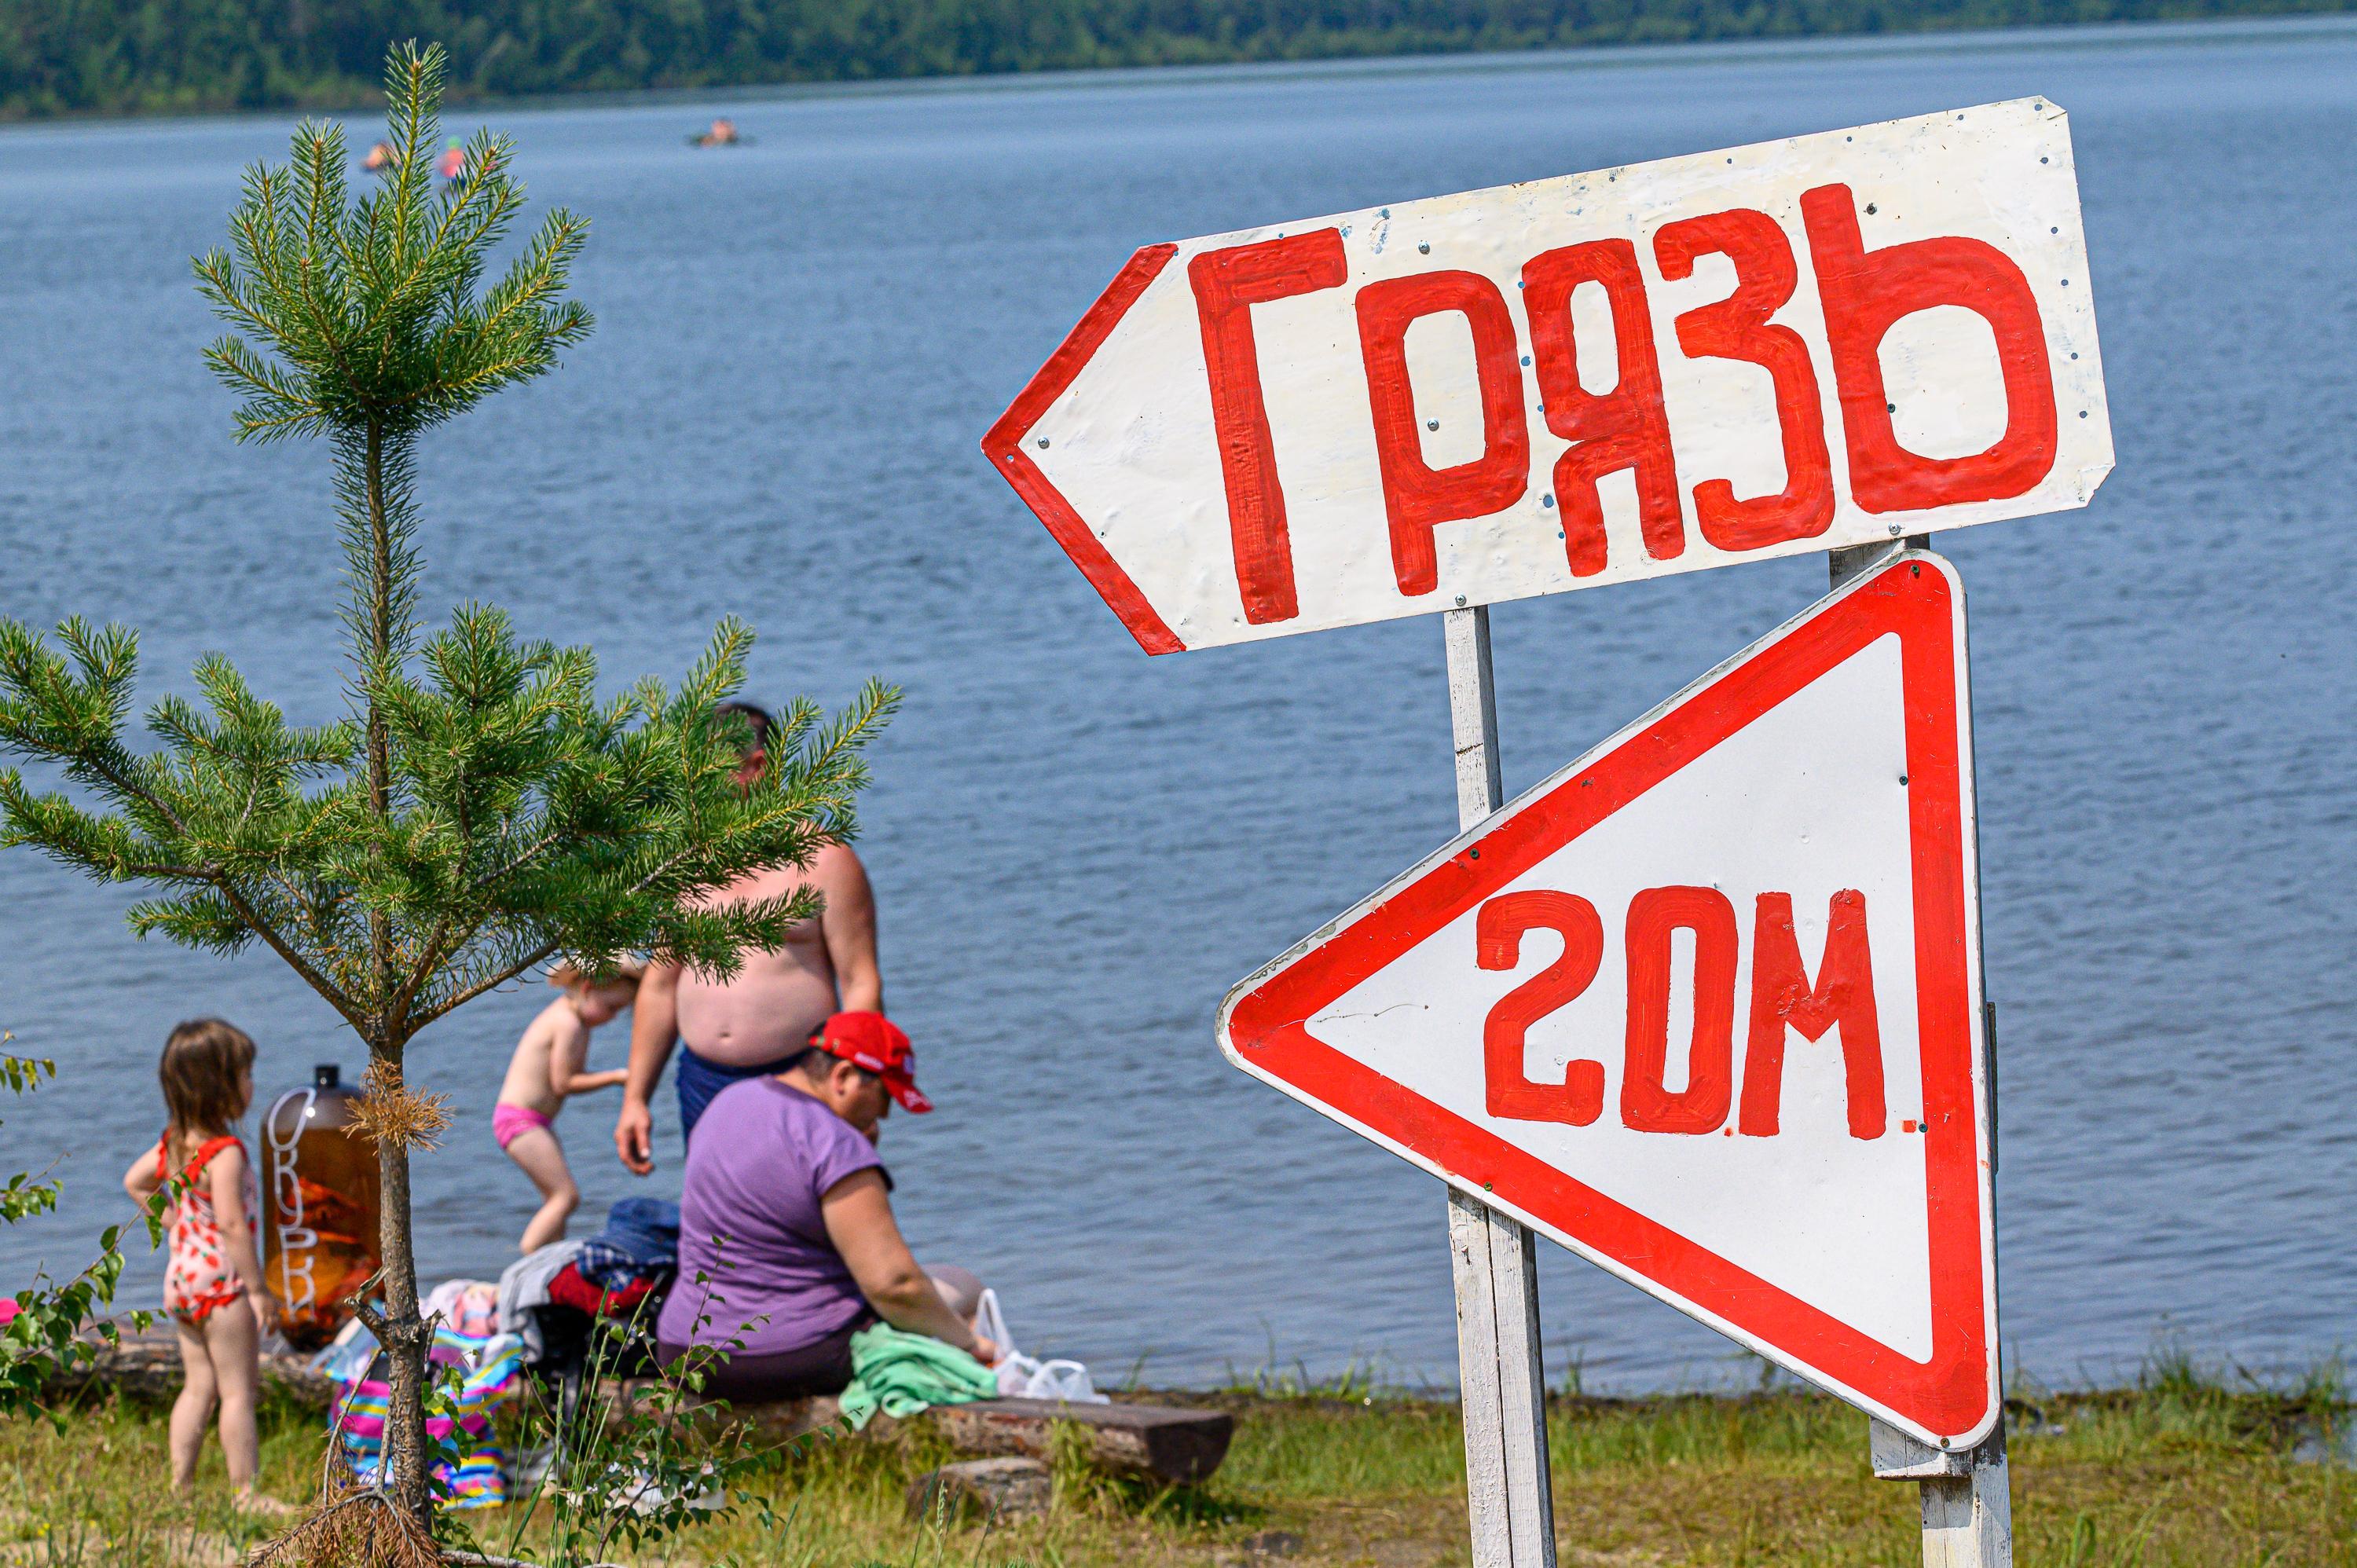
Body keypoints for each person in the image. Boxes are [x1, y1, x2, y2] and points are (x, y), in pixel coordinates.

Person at [654, 1012, 993, 1400]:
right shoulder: (834, 1144)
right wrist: (968, 1346)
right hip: (785, 1357)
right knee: (965, 1288)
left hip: (684, 1350)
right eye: (884, 1096)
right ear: (844, 1077)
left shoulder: (728, 1102)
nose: (884, 1115)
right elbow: (893, 1285)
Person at [614, 701, 883, 1173]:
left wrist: (857, 1083)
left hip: (801, 1075)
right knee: (722, 1225)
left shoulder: (825, 860)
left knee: (802, 1219)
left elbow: (860, 982)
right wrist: (635, 1099)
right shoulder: (687, 863)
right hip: (703, 1081)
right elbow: (659, 987)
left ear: (758, 768)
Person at [120, 1019, 285, 1509]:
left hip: (183, 1281)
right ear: (219, 1087)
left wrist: (177, 1224)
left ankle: (180, 1489)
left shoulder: (175, 1143)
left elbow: (135, 1181)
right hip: (224, 1286)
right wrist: (257, 1291)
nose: (251, 1084)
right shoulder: (226, 1153)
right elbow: (234, 1226)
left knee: (198, 1388)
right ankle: (245, 1494)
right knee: (237, 1393)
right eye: (244, 1074)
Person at [495, 963, 640, 1252]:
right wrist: (616, 1077)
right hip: (521, 1122)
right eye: (611, 1008)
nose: (612, 1018)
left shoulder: (575, 1020)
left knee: (555, 1200)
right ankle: (529, 1259)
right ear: (587, 989)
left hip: (531, 1122)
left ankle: (551, 1261)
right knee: (566, 1197)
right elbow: (564, 1083)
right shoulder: (568, 1023)